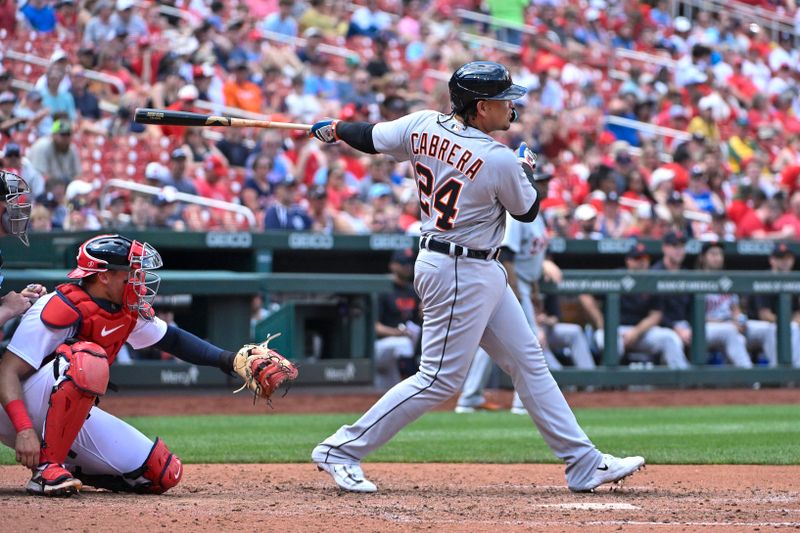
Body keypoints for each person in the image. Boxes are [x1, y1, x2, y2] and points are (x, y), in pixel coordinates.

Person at [307, 60, 644, 493]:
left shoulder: (423, 123)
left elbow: (368, 136)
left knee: (529, 363)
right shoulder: (498, 158)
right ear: (481, 107)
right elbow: (527, 209)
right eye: (505, 100)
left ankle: (582, 462)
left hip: (472, 265)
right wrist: (526, 170)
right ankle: (342, 449)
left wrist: (335, 128)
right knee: (438, 379)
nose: (512, 106)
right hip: (458, 269)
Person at [0, 234, 296, 496]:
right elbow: (7, 371)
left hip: (62, 415)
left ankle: (64, 463)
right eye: (131, 272)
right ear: (103, 276)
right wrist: (24, 429)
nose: (138, 278)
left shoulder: (124, 310)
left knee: (162, 472)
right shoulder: (56, 306)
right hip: (13, 412)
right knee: (87, 358)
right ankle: (47, 470)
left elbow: (173, 340)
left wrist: (229, 360)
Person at [580, 242, 689, 369]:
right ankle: (608, 384)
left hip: (641, 331)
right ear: (629, 261)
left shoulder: (651, 280)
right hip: (613, 330)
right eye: (637, 259)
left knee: (670, 338)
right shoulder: (615, 276)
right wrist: (600, 320)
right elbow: (584, 293)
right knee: (613, 344)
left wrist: (636, 332)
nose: (642, 262)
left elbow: (656, 315)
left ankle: (682, 381)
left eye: (645, 259)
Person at [696, 240, 753, 368]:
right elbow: (696, 317)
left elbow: (735, 309)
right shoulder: (696, 279)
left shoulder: (727, 280)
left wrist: (741, 320)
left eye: (720, 254)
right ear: (702, 257)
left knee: (760, 332)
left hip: (729, 325)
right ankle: (749, 375)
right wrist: (727, 323)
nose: (717, 258)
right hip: (706, 327)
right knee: (730, 332)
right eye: (713, 254)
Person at [374, 248, 421, 391]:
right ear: (393, 265)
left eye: (410, 263)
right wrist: (397, 333)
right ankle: (414, 386)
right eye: (403, 263)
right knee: (403, 343)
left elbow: (417, 321)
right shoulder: (382, 289)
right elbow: (375, 327)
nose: (408, 267)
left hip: (407, 345)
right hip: (381, 346)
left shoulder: (413, 291)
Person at [748, 243, 800, 367]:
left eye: (787, 258)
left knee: (794, 328)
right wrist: (788, 323)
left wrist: (794, 321)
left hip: (786, 324)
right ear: (772, 260)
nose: (784, 262)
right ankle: (779, 371)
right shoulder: (764, 279)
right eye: (780, 258)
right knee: (776, 329)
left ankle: (796, 372)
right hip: (756, 324)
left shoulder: (795, 280)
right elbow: (764, 315)